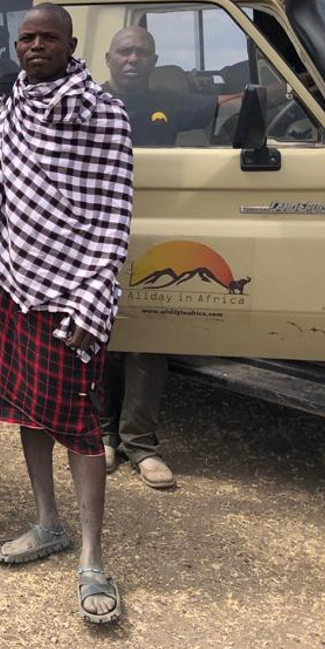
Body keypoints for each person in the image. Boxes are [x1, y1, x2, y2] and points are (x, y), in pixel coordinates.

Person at [0, 5, 133, 624]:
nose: (36, 46)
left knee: (81, 424)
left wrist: (93, 296)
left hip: (74, 292)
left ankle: (92, 555)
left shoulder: (104, 114)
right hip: (12, 284)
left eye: (48, 37)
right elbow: (1, 205)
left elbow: (114, 216)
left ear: (70, 44)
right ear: (17, 46)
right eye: (27, 38)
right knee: (27, 407)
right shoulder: (11, 110)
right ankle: (48, 523)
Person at [100, 25, 204, 489]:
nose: (133, 59)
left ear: (154, 60)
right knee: (101, 335)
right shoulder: (90, 103)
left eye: (142, 52)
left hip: (156, 228)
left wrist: (284, 90)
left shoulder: (171, 102)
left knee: (149, 338)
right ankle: (102, 434)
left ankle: (140, 443)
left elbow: (224, 105)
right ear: (108, 58)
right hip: (100, 232)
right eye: (124, 52)